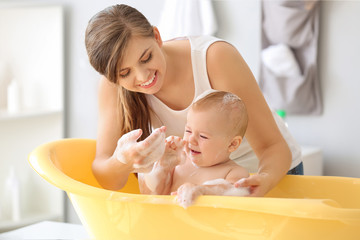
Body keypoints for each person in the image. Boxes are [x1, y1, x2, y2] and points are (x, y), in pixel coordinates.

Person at [85, 4, 303, 197]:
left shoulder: (214, 58)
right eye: (125, 73)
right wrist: (123, 161)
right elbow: (107, 178)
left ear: (157, 36)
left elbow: (272, 147)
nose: (143, 77)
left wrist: (262, 180)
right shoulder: (112, 88)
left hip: (269, 175)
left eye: (146, 58)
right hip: (205, 190)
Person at [139, 91, 250, 208]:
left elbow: (237, 193)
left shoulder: (233, 172)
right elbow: (151, 196)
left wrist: (203, 190)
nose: (191, 140)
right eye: (188, 131)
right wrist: (162, 166)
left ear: (232, 144)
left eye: (203, 136)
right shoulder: (178, 164)